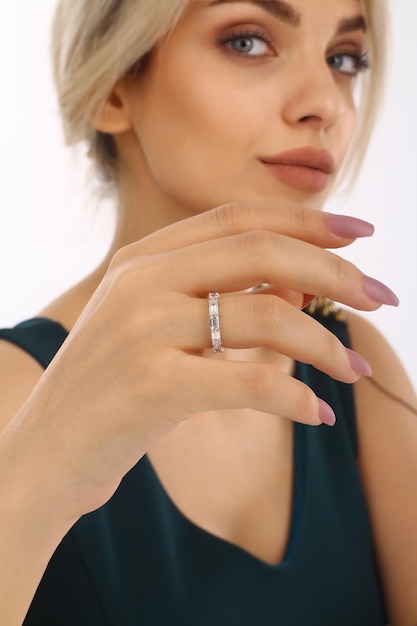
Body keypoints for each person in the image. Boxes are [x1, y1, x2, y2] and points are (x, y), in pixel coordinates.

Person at [0, 0, 416, 624]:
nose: (325, 103)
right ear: (114, 86)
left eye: (344, 59)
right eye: (248, 42)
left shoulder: (354, 361)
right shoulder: (13, 394)